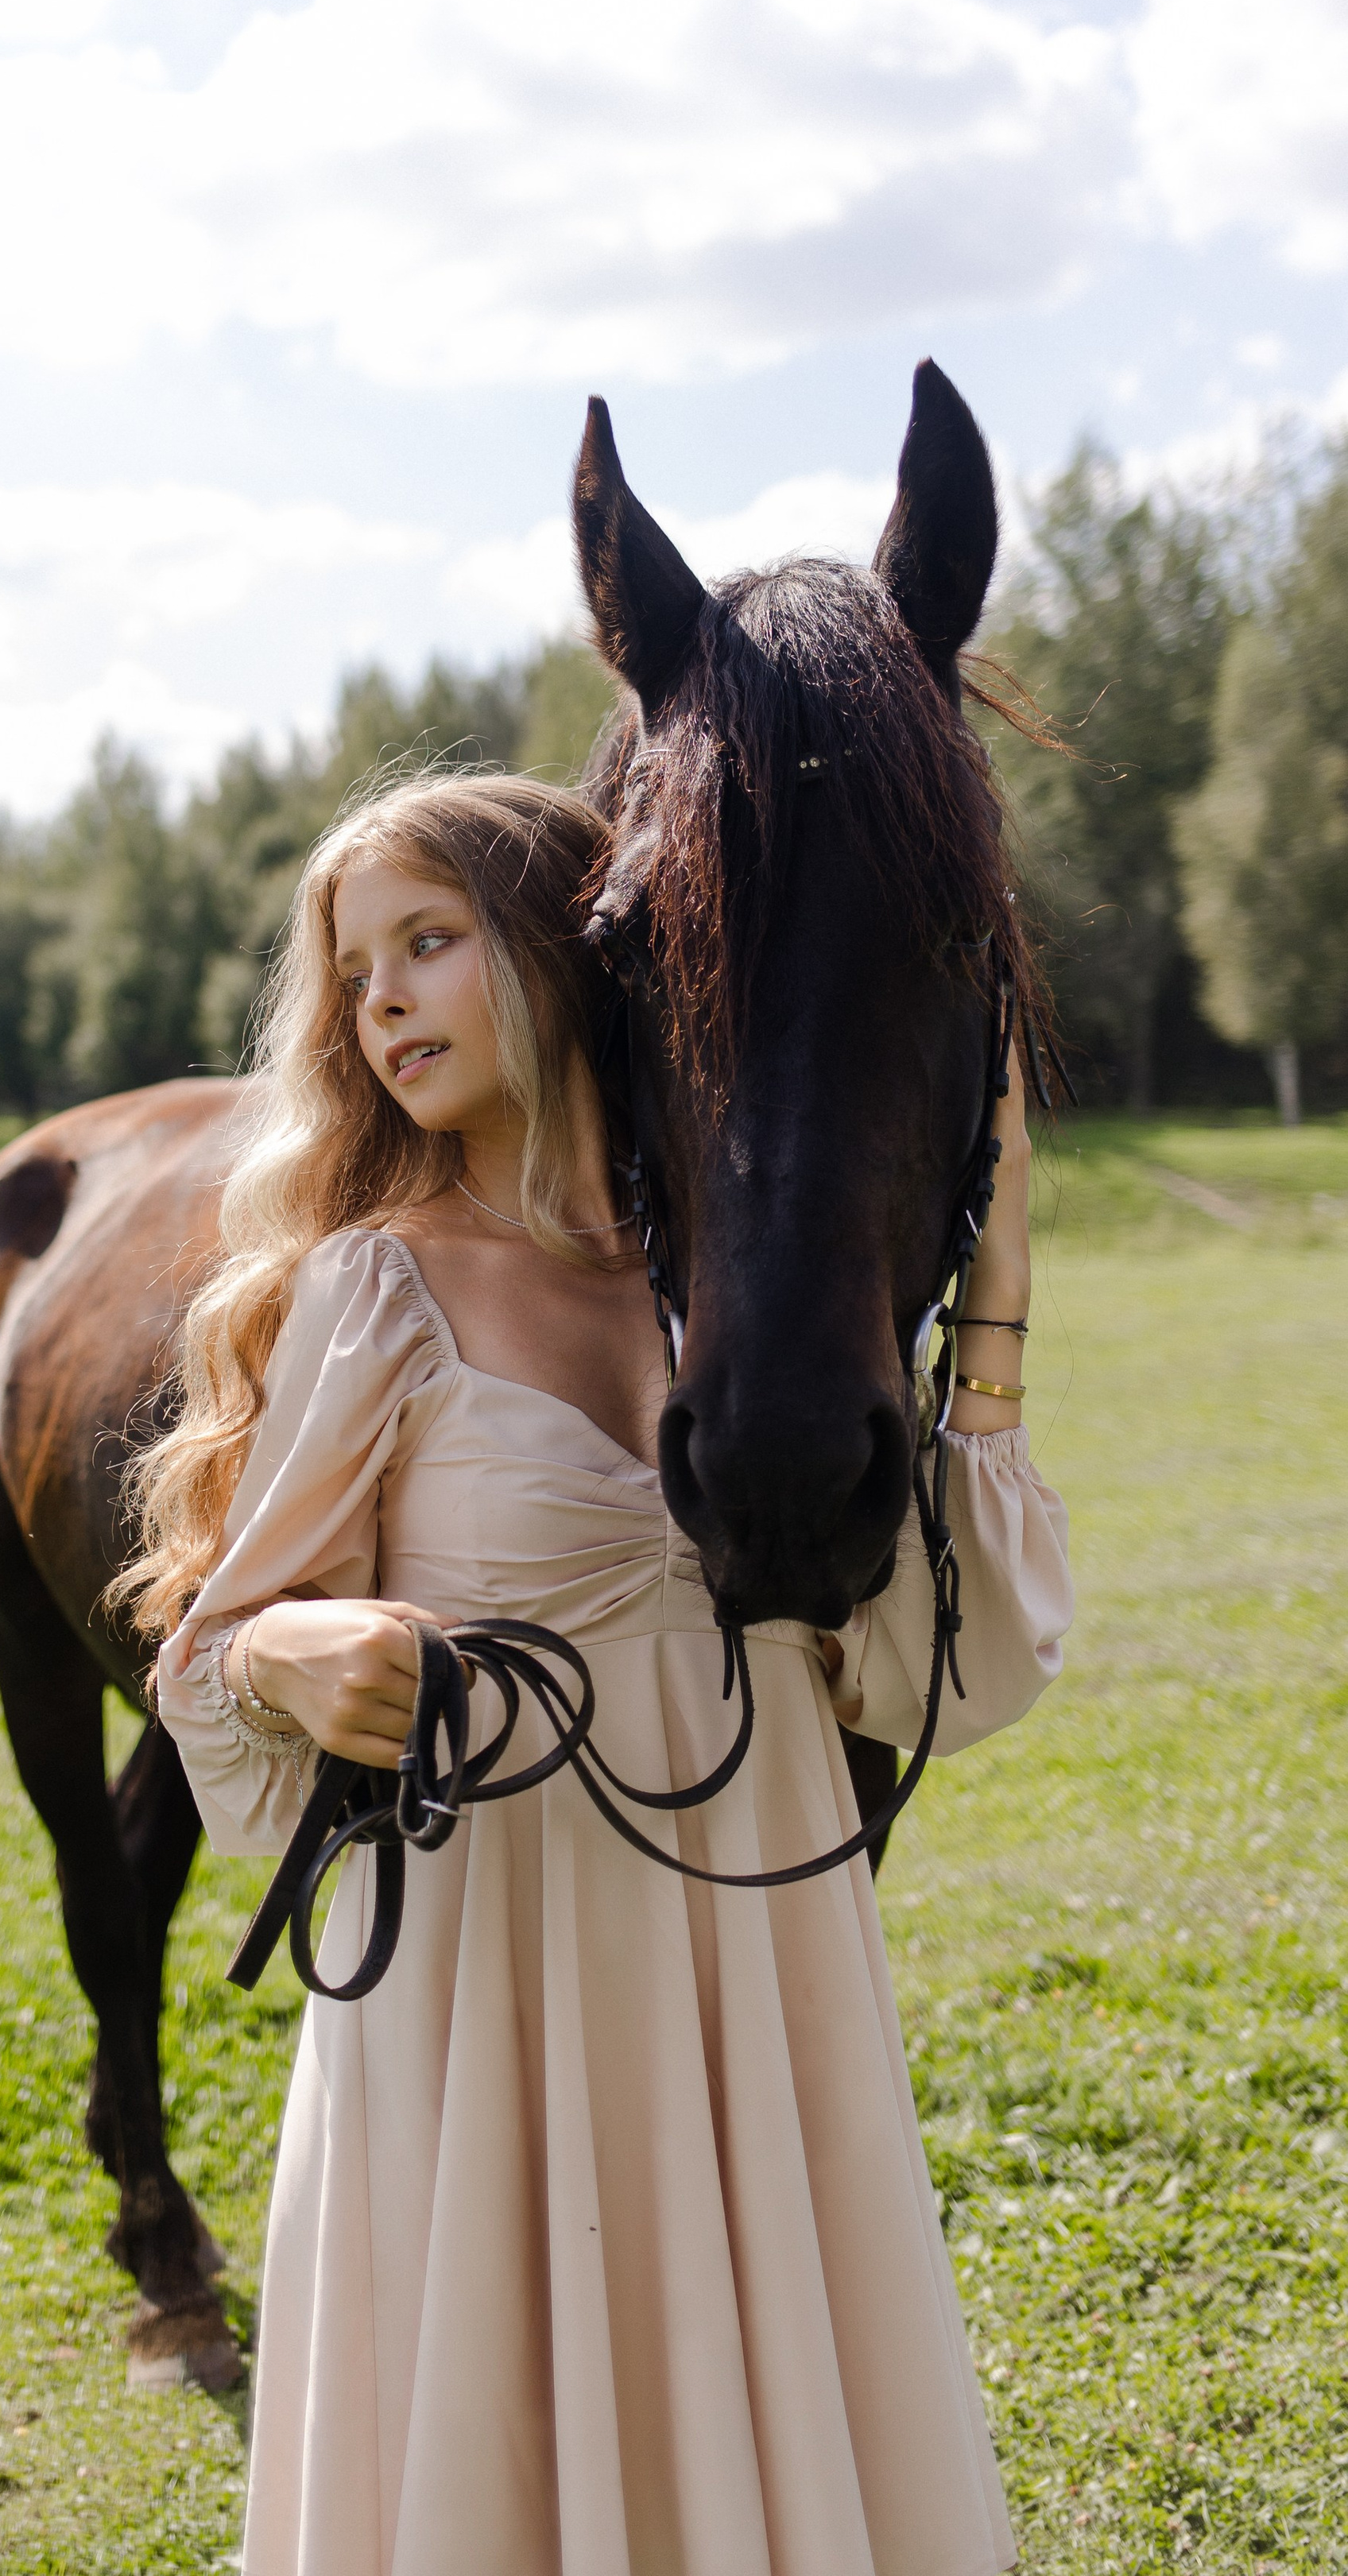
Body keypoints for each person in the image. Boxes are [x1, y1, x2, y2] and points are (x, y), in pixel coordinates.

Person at [120, 771, 1071, 2576]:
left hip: (753, 1970)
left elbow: (936, 1662)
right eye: (354, 973)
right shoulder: (378, 1288)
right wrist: (296, 1651)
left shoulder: (736, 1286)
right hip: (487, 1970)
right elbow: (217, 1651)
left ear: (562, 948)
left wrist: (997, 1276)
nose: (380, 1001)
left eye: (427, 942)